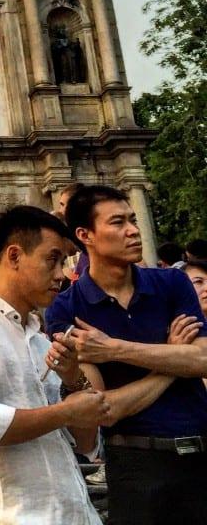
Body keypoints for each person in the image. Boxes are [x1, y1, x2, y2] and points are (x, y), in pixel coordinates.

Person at [0, 205, 109, 523]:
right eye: (52, 260)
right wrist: (67, 410)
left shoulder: (41, 338)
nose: (61, 275)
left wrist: (73, 382)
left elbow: (85, 444)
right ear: (14, 256)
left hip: (75, 513)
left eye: (64, 262)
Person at [47, 185, 207, 525]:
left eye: (133, 220)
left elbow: (203, 360)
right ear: (84, 234)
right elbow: (102, 407)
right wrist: (171, 360)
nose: (133, 230)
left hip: (201, 454)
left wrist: (114, 349)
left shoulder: (172, 284)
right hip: (135, 464)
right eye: (118, 222)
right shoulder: (68, 307)